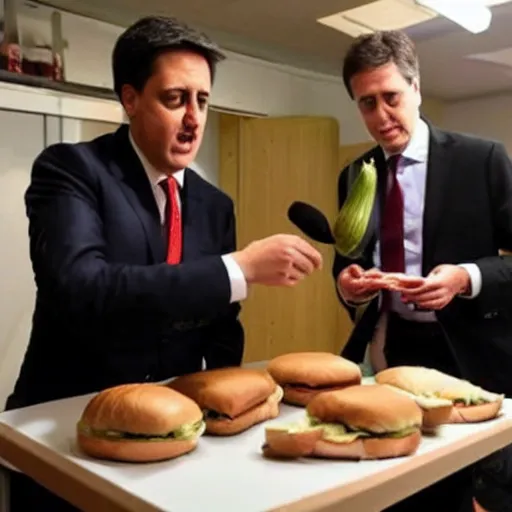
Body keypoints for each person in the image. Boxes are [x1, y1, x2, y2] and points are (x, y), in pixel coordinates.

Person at [4, 15, 323, 511]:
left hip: (172, 435)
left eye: (202, 100)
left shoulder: (215, 205)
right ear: (130, 98)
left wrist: (225, 421)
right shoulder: (72, 170)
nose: (194, 119)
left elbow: (221, 324)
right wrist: (236, 269)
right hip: (67, 430)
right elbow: (83, 288)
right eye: (175, 99)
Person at [332, 30, 512, 512]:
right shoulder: (354, 174)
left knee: (465, 492)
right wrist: (350, 287)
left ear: (416, 88)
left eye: (390, 97)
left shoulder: (483, 160)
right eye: (366, 103)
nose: (380, 116)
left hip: (469, 351)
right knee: (396, 484)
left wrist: (465, 277)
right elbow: (346, 263)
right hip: (393, 350)